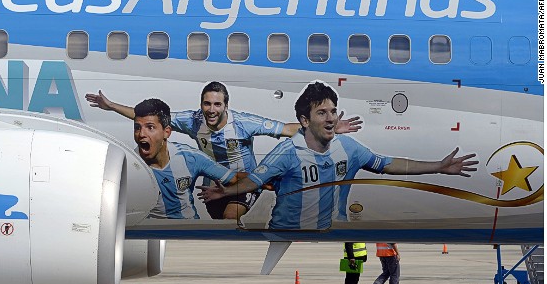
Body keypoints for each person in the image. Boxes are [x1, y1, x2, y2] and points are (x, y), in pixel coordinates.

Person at [198, 81, 478, 230]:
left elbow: (389, 164)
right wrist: (225, 193)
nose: (331, 118)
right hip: (287, 228)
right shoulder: (287, 152)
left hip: (330, 229)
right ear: (304, 121)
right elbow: (254, 181)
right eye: (322, 113)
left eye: (333, 111)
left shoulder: (349, 147)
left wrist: (439, 167)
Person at [86, 81, 363, 220]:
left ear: (226, 106)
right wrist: (111, 106)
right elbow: (147, 116)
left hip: (243, 183)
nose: (211, 110)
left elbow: (288, 129)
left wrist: (328, 129)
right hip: (213, 184)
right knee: (215, 224)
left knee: (230, 219)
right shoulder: (193, 120)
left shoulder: (244, 123)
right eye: (207, 104)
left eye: (217, 105)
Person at [132, 97, 245, 219]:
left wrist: (264, 178)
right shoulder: (129, 165)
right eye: (137, 127)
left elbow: (236, 178)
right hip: (151, 232)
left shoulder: (189, 157)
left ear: (167, 132)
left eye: (150, 127)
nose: (141, 134)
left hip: (188, 229)